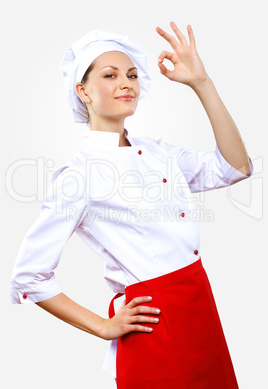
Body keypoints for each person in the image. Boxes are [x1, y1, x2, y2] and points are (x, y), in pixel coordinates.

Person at [10, 22, 253, 388]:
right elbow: (28, 277)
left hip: (199, 304)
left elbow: (236, 168)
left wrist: (201, 83)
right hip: (154, 320)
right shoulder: (78, 177)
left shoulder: (158, 152)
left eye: (132, 74)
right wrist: (104, 327)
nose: (126, 83)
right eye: (110, 75)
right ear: (83, 91)